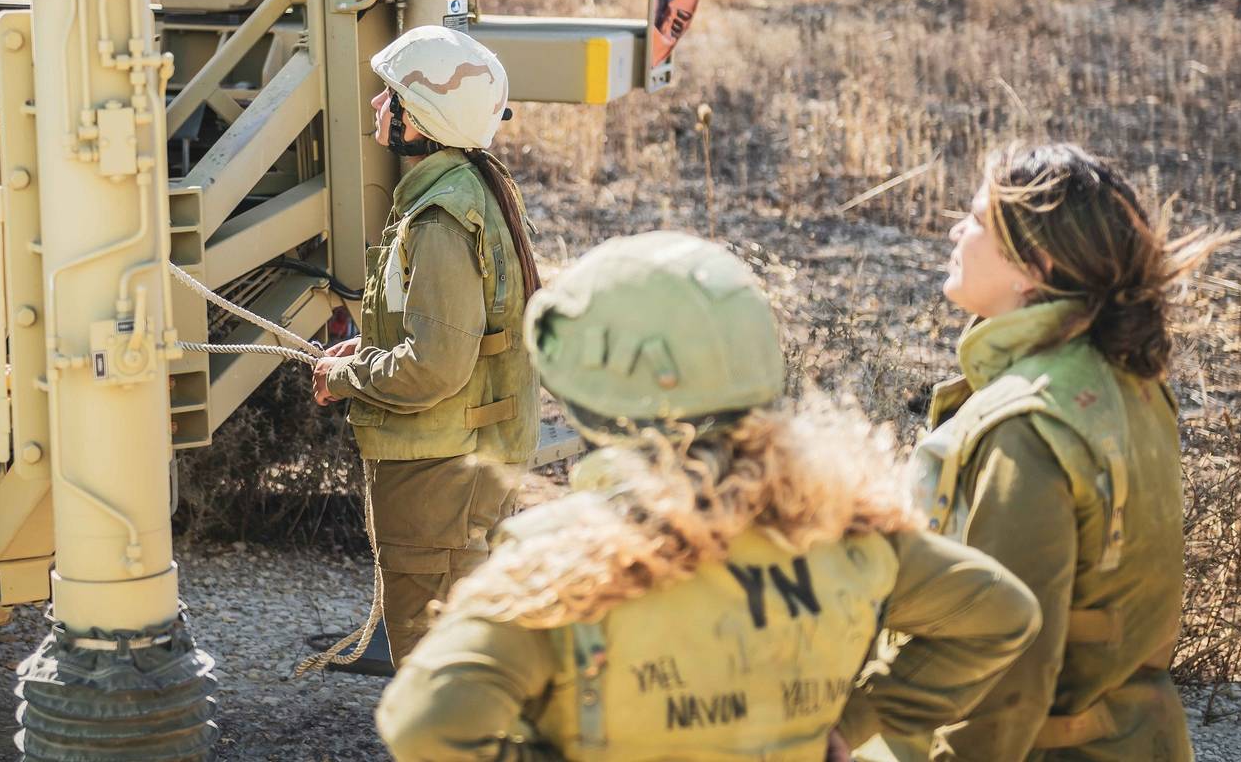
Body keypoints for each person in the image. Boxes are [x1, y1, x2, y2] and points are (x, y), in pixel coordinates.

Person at [376, 231, 1043, 761]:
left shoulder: (558, 559)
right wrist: (852, 722)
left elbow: (423, 724)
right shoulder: (852, 529)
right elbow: (1002, 612)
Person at [872, 143, 1231, 761]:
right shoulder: (1129, 379)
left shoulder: (1027, 423)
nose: (957, 228)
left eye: (979, 220)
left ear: (1033, 265)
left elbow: (1007, 667)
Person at [312, 25, 542, 666]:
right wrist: (360, 357)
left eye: (393, 100)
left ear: (421, 120)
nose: (379, 108)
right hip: (459, 468)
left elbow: (435, 365)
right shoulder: (466, 192)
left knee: (436, 668)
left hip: (439, 476)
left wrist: (348, 378)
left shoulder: (441, 218)